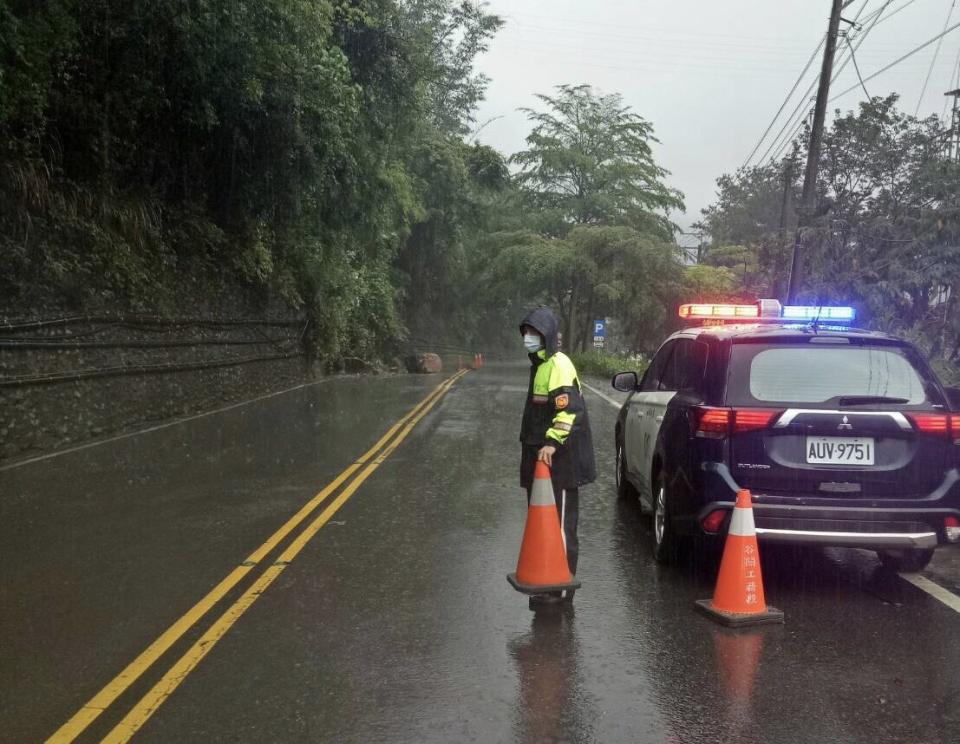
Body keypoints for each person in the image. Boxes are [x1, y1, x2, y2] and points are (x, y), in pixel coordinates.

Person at [518, 307, 596, 605]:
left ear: (547, 336)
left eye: (534, 333)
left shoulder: (558, 365)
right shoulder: (539, 366)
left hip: (560, 460)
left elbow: (569, 411)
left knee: (561, 527)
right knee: (541, 524)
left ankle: (561, 590)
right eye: (526, 332)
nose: (528, 338)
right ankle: (545, 581)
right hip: (540, 463)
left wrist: (551, 442)